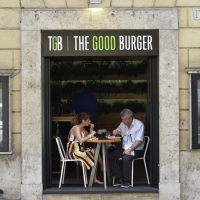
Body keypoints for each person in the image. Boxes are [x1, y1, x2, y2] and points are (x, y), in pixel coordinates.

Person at [108, 108, 144, 188]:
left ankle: (126, 181)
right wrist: (115, 132)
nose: (123, 121)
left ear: (130, 118)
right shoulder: (122, 124)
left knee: (126, 158)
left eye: (124, 120)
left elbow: (139, 141)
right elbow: (118, 132)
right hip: (124, 148)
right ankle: (120, 177)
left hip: (136, 149)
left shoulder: (139, 124)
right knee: (109, 156)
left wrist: (130, 149)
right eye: (122, 119)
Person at [67, 112, 103, 184]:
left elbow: (88, 136)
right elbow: (81, 140)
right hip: (74, 151)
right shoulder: (76, 128)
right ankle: (98, 174)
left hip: (80, 149)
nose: (90, 121)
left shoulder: (82, 128)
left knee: (94, 151)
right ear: (83, 121)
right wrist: (90, 135)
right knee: (92, 156)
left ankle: (101, 169)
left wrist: (91, 129)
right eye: (88, 120)